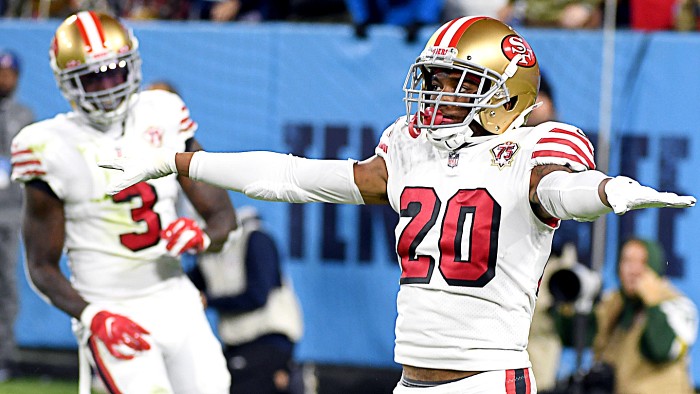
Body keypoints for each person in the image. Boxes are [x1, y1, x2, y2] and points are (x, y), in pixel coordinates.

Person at [100, 16, 696, 393]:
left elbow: (558, 189)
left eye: (453, 82)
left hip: (488, 380)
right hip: (411, 378)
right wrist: (183, 162)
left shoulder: (534, 146)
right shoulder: (411, 149)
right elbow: (293, 176)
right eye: (433, 79)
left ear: (506, 90)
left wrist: (606, 192)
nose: (434, 95)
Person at [10, 11, 237, 394]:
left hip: (174, 298)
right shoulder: (46, 146)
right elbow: (41, 266)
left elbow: (223, 219)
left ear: (134, 65)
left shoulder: (163, 113)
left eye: (115, 71)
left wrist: (199, 237)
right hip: (111, 305)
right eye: (93, 78)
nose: (107, 87)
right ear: (67, 83)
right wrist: (92, 315)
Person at [188, 206, 304, 394]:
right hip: (236, 347)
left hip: (269, 342)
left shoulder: (256, 238)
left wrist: (209, 300)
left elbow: (258, 296)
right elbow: (185, 286)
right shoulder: (208, 255)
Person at [0, 49, 34, 382]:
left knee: (6, 288)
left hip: (9, 213)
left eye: (8, 72)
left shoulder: (24, 116)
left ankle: (4, 357)